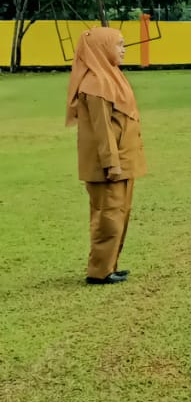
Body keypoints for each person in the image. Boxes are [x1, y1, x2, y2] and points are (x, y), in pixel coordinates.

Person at [67, 26, 146, 285]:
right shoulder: (96, 84)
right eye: (118, 44)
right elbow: (101, 131)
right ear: (101, 48)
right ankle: (99, 272)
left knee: (119, 214)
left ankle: (110, 265)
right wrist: (112, 164)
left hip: (123, 160)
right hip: (109, 166)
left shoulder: (111, 77)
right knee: (108, 218)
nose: (123, 49)